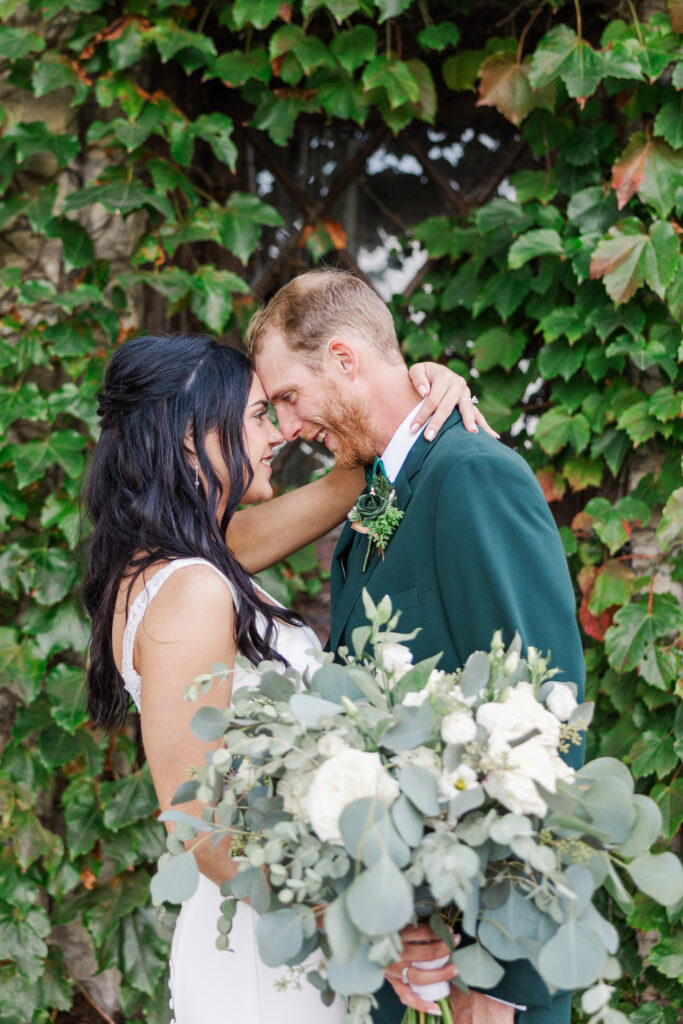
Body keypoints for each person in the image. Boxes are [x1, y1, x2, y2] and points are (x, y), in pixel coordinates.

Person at [81, 331, 492, 1024]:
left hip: (284, 929)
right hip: (263, 953)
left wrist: (417, 388)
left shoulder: (192, 557)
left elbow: (351, 483)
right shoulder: (190, 590)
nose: (279, 433)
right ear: (191, 435)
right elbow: (199, 823)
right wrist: (358, 923)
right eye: (257, 415)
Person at [247, 269, 586, 1024]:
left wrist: (504, 983)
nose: (290, 426)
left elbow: (545, 725)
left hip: (484, 975)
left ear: (343, 358)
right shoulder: (381, 491)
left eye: (289, 398)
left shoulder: (473, 477)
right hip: (409, 958)